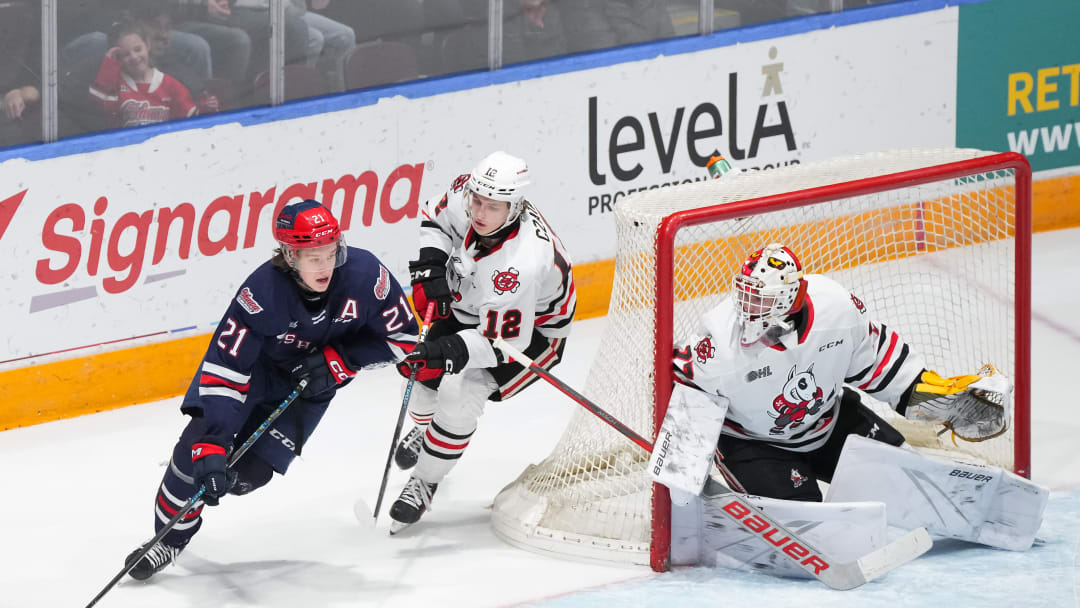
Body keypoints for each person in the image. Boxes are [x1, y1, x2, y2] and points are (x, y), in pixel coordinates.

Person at [654, 243, 1046, 554]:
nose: (747, 308)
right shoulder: (717, 344)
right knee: (811, 526)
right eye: (745, 295)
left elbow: (880, 364)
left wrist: (932, 397)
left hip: (829, 423)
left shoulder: (836, 307)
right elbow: (685, 401)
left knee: (907, 471)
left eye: (761, 300)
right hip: (756, 446)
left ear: (792, 297)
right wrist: (682, 489)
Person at [123, 199, 419, 580]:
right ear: (290, 255)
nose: (325, 265)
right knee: (193, 460)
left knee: (248, 475)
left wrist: (342, 360)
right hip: (255, 375)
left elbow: (405, 337)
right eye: (313, 257)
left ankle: (222, 476)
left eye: (331, 253)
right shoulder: (261, 293)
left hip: (310, 386)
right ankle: (167, 541)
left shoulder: (366, 277)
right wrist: (213, 441)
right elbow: (227, 369)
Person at [388, 151, 576, 533]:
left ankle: (424, 481)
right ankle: (426, 429)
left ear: (515, 206)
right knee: (423, 384)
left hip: (532, 335)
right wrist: (430, 268)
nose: (479, 212)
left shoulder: (521, 263)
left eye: (492, 206)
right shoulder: (469, 192)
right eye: (476, 200)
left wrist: (447, 353)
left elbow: (498, 345)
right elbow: (436, 221)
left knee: (460, 397)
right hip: (475, 301)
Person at [89, 20, 209, 128]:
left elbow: (190, 119)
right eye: (126, 54)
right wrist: (109, 67)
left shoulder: (170, 84)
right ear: (117, 57)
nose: (134, 57)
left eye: (137, 49)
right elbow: (100, 108)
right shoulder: (116, 84)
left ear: (147, 45)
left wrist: (206, 109)